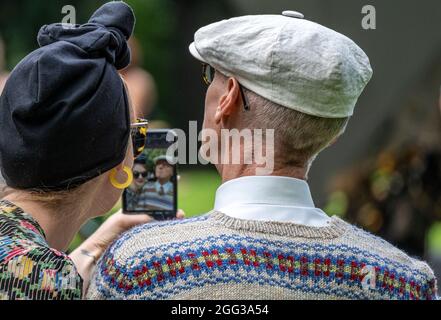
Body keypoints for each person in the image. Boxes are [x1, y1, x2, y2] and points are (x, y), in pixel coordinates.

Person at [87, 11, 438, 300]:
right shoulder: (405, 282)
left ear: (228, 98)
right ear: (333, 134)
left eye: (211, 75)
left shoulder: (139, 266)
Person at [0, 2, 173, 300]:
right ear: (114, 165)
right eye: (138, 136)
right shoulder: (44, 281)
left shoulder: (35, 268)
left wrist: (97, 244)